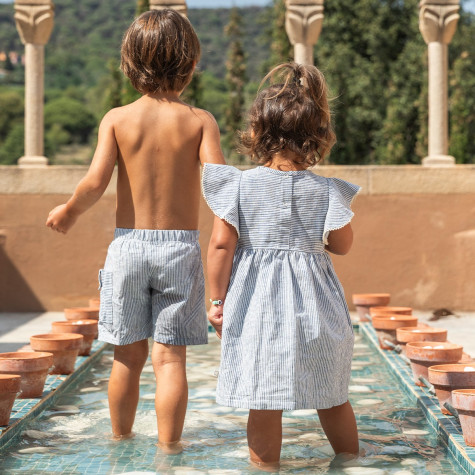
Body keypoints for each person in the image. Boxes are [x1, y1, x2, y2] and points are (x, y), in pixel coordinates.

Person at [46, 9, 225, 451]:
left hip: (127, 247)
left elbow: (94, 182)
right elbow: (222, 187)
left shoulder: (117, 119)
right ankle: (170, 449)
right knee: (169, 360)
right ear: (189, 63)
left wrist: (69, 211)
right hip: (180, 250)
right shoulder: (200, 121)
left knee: (126, 356)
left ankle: (120, 441)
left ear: (129, 63)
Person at [203, 62, 360, 468]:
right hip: (317, 308)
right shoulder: (326, 190)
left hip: (257, 307)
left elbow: (221, 245)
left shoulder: (238, 185)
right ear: (317, 135)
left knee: (263, 398)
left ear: (257, 131)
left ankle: (265, 468)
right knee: (332, 394)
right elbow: (341, 245)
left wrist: (216, 301)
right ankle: (352, 461)